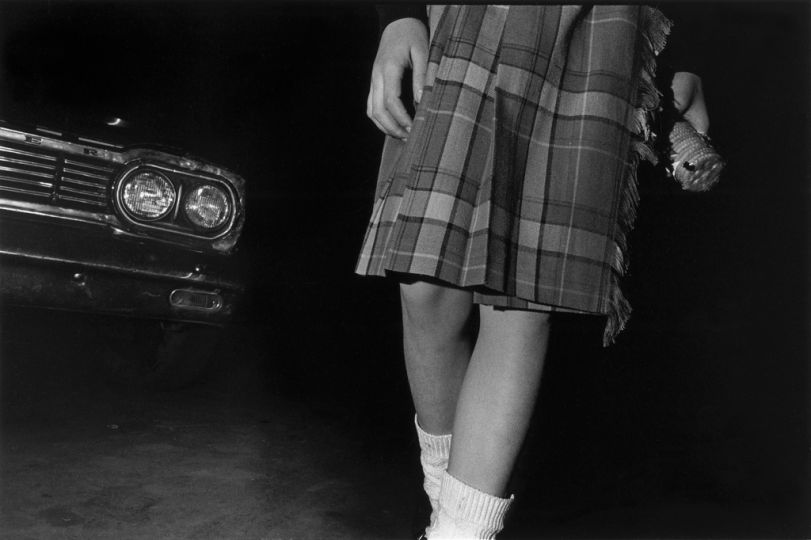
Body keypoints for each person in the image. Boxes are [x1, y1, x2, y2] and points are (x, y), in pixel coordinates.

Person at [357, 5, 710, 539]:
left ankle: (457, 531)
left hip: (591, 27)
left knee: (519, 298)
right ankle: (444, 503)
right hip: (461, 19)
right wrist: (399, 16)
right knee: (423, 288)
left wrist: (684, 55)